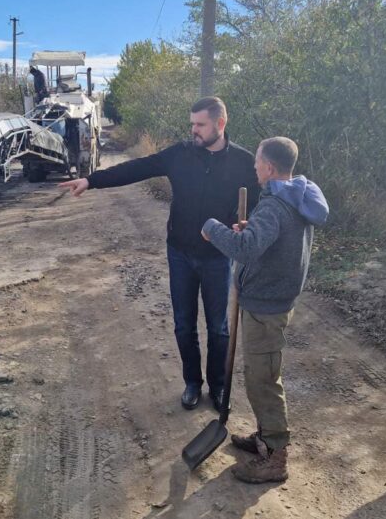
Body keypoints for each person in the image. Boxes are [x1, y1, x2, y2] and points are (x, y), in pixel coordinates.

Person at [59, 97, 260, 410]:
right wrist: (91, 180)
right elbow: (138, 168)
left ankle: (218, 387)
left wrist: (246, 224)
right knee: (183, 323)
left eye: (200, 124)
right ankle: (193, 383)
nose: (193, 130)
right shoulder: (180, 154)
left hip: (219, 256)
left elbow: (261, 199)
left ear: (221, 124)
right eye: (191, 123)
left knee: (219, 328)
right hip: (179, 251)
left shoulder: (244, 162)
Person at [201, 136, 328, 484]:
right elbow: (268, 241)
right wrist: (249, 230)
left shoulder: (274, 205)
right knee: (260, 374)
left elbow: (245, 250)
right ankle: (264, 439)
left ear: (269, 167)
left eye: (257, 162)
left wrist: (213, 229)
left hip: (266, 307)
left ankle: (276, 457)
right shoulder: (293, 197)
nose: (254, 167)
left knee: (263, 380)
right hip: (271, 301)